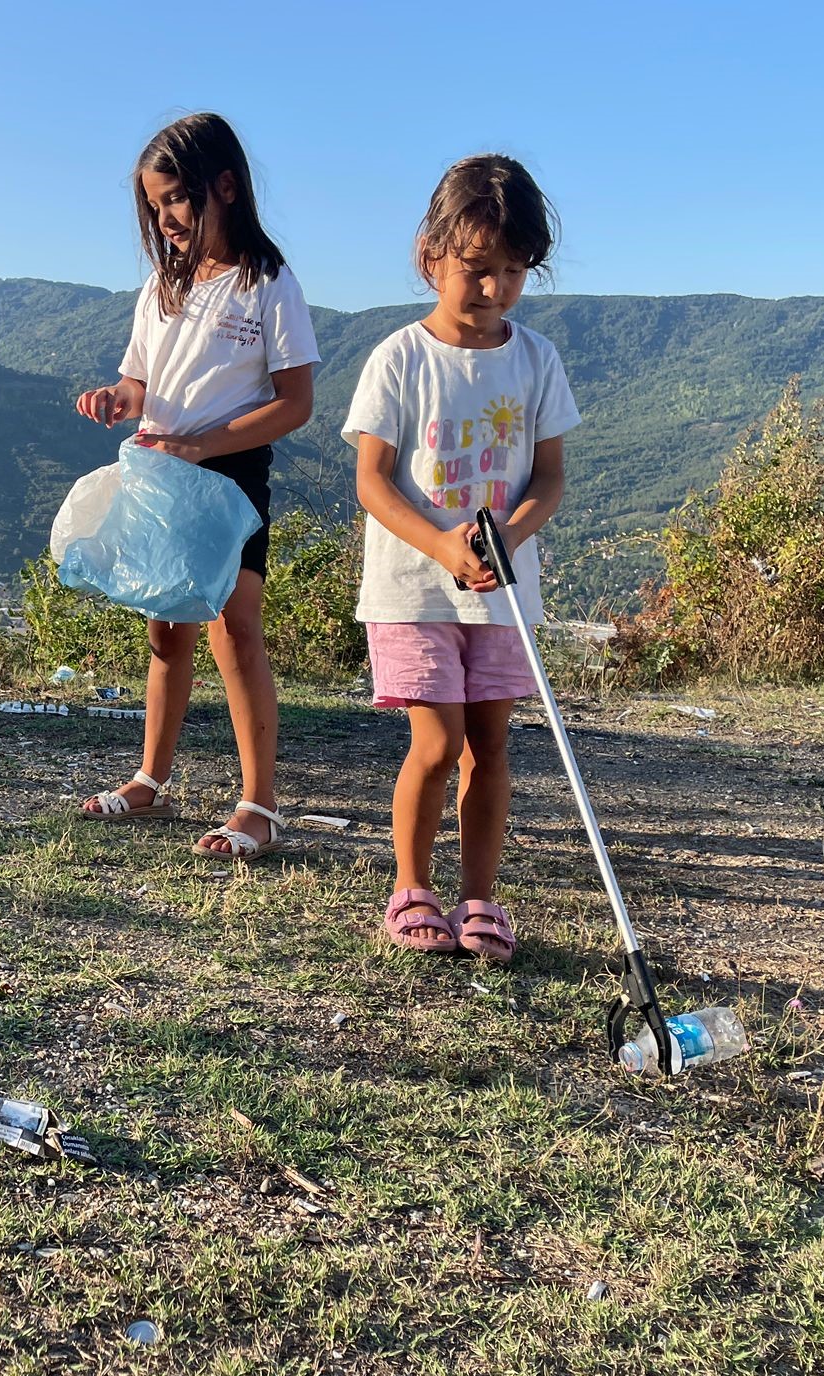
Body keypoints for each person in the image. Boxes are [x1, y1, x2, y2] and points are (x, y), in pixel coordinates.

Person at [340, 154, 579, 959]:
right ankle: (412, 887)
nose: (495, 289)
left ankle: (481, 899)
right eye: (477, 269)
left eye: (514, 272)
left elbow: (548, 480)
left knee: (491, 747)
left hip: (502, 592)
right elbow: (373, 482)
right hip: (413, 587)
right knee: (436, 744)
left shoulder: (537, 359)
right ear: (430, 255)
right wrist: (442, 543)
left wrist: (506, 538)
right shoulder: (400, 359)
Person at [74, 112, 318, 860]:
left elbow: (295, 401)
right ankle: (151, 778)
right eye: (155, 205)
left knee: (235, 630)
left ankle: (259, 804)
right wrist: (118, 399)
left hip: (230, 472)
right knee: (164, 629)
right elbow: (139, 378)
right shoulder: (160, 287)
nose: (166, 217)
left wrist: (206, 443)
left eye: (177, 198)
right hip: (159, 469)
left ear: (226, 186)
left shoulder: (269, 284)